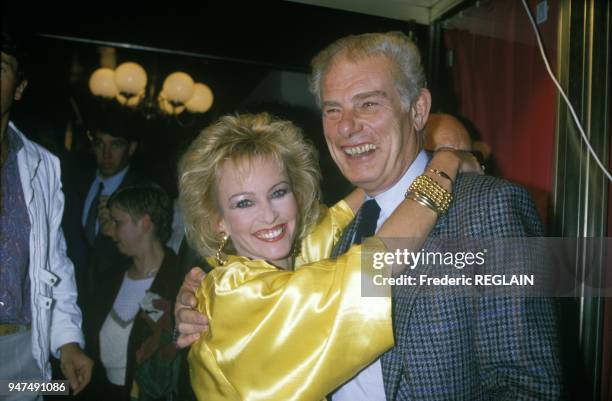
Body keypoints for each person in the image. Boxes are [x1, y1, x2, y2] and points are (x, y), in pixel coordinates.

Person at [177, 31, 562, 400]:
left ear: (418, 110)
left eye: (368, 103)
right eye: (333, 109)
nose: (347, 126)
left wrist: (447, 159)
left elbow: (528, 385)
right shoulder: (330, 242)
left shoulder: (489, 208)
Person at [178, 112, 479, 401]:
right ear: (218, 221)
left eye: (279, 192)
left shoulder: (293, 253)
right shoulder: (233, 295)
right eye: (244, 203)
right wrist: (444, 164)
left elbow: (343, 213)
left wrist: (420, 160)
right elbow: (371, 270)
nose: (269, 215)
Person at [0, 27, 93, 399]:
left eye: (1, 68)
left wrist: (67, 341)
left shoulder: (41, 165)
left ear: (19, 88)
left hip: (22, 352)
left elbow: (54, 263)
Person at [89, 183, 182, 401]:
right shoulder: (109, 278)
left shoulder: (178, 282)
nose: (108, 230)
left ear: (145, 223)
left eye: (118, 222)